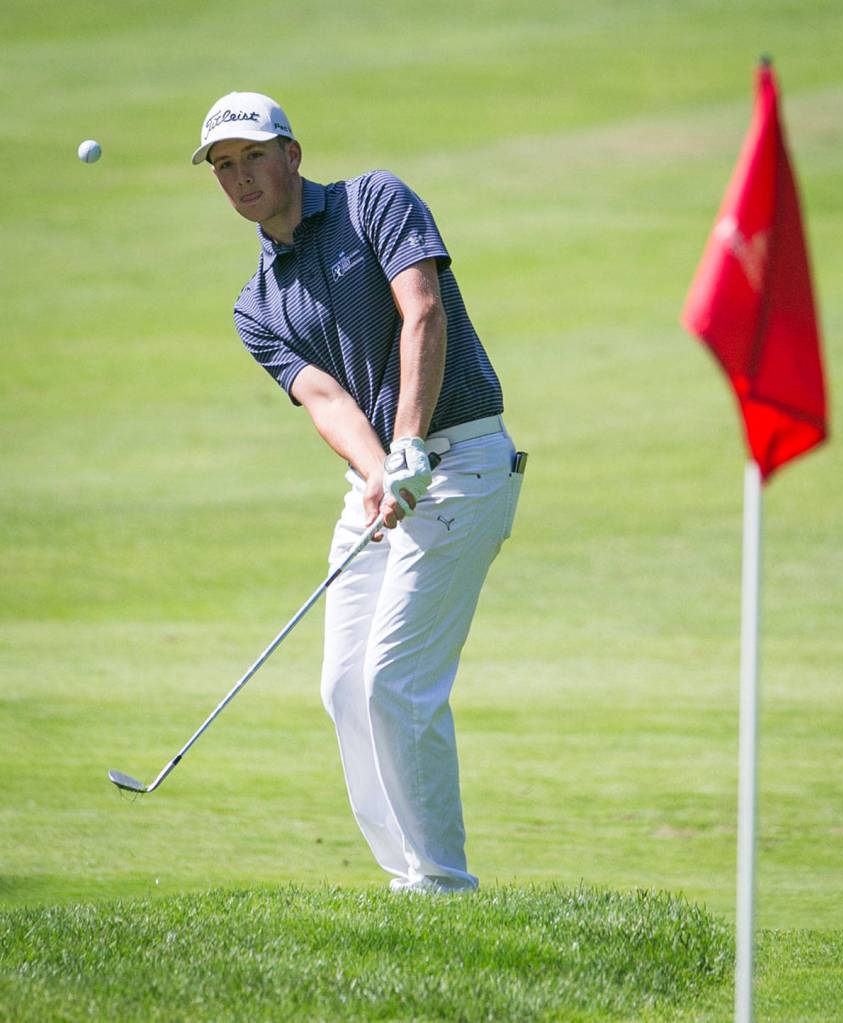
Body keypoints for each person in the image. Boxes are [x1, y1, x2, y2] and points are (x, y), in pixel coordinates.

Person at [192, 91, 524, 893]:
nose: (240, 179)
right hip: (383, 479)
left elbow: (423, 315)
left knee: (393, 680)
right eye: (223, 167)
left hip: (465, 463)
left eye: (253, 157)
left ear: (292, 154)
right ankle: (404, 879)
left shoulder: (374, 201)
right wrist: (380, 471)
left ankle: (443, 886)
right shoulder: (255, 305)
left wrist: (407, 443)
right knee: (343, 685)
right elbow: (326, 400)